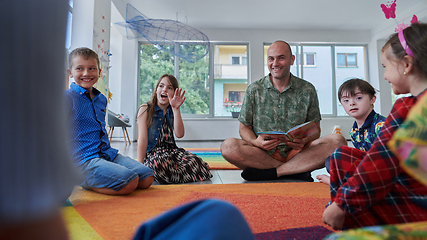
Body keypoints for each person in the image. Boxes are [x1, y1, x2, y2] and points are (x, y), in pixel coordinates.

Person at [323, 22, 427, 231]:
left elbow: (379, 164)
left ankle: (345, 215)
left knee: (340, 159)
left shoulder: (408, 108)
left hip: (417, 205)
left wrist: (341, 205)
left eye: (385, 67)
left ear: (406, 65)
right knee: (341, 155)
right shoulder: (356, 128)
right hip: (414, 189)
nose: (385, 76)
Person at [220, 40, 347, 182]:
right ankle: (295, 171)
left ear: (292, 60)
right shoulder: (254, 89)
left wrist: (304, 140)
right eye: (271, 58)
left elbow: (316, 129)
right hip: (262, 153)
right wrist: (256, 142)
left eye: (281, 58)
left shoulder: (307, 89)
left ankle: (274, 172)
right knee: (228, 147)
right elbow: (244, 128)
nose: (275, 63)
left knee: (338, 141)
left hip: (298, 152)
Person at [65, 47, 154, 195]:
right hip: (83, 159)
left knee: (147, 177)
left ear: (99, 72)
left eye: (92, 68)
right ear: (70, 72)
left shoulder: (101, 99)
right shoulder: (67, 97)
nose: (86, 73)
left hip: (107, 153)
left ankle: (103, 174)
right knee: (130, 182)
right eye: (80, 68)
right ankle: (81, 179)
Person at [136, 74, 213, 184]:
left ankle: (170, 176)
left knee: (197, 162)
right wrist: (140, 167)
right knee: (158, 164)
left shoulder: (172, 110)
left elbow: (180, 134)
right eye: (161, 86)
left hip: (172, 152)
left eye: (170, 87)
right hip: (154, 155)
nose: (164, 90)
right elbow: (142, 139)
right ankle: (174, 174)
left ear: (174, 93)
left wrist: (176, 109)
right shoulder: (145, 109)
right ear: (156, 90)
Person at [316, 78, 386, 184]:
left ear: (372, 99)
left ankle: (340, 183)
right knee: (332, 160)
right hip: (366, 170)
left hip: (383, 170)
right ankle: (348, 183)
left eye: (358, 98)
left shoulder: (381, 125)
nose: (352, 103)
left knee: (340, 155)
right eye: (346, 100)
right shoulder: (354, 131)